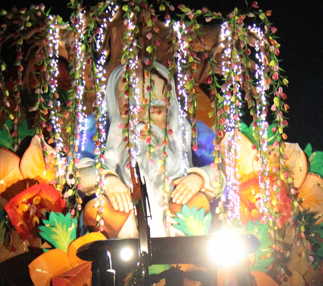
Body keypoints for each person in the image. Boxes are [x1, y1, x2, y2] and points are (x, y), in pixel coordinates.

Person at [77, 62, 219, 238]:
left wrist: (199, 178)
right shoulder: (97, 130)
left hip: (177, 215)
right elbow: (76, 174)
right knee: (96, 210)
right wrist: (106, 180)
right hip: (123, 218)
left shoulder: (193, 133)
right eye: (130, 110)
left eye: (155, 109)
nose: (143, 119)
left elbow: (219, 172)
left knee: (198, 202)